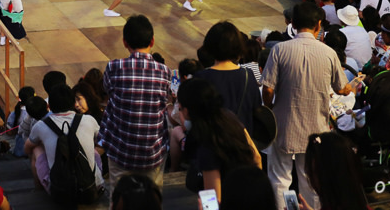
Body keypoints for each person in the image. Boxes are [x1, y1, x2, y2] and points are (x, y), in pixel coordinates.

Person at [262, 1, 360, 210]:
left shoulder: (280, 50)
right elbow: (341, 88)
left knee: (280, 180)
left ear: (293, 24)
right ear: (318, 25)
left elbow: (268, 89)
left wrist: (269, 108)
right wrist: (350, 89)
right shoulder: (329, 53)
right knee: (311, 181)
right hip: (316, 128)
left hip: (283, 125)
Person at [99, 15, 170, 199]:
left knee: (118, 195)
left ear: (124, 42)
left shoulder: (114, 67)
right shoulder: (164, 72)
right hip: (152, 152)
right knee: (153, 196)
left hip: (120, 150)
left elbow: (108, 90)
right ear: (152, 41)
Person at [177, 78, 261, 203]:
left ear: (188, 111)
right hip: (251, 197)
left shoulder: (206, 144)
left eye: (180, 109)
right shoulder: (229, 118)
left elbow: (213, 200)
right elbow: (256, 157)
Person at [25, 83, 103, 196]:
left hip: (61, 193)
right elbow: (102, 142)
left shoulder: (41, 125)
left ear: (49, 106)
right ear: (73, 103)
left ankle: (38, 190)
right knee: (94, 150)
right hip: (90, 189)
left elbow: (27, 149)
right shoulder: (89, 120)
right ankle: (99, 181)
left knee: (36, 149)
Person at [195, 21, 262, 135]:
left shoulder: (200, 78)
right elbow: (256, 109)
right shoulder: (248, 75)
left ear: (209, 45)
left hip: (210, 146)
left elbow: (193, 116)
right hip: (241, 144)